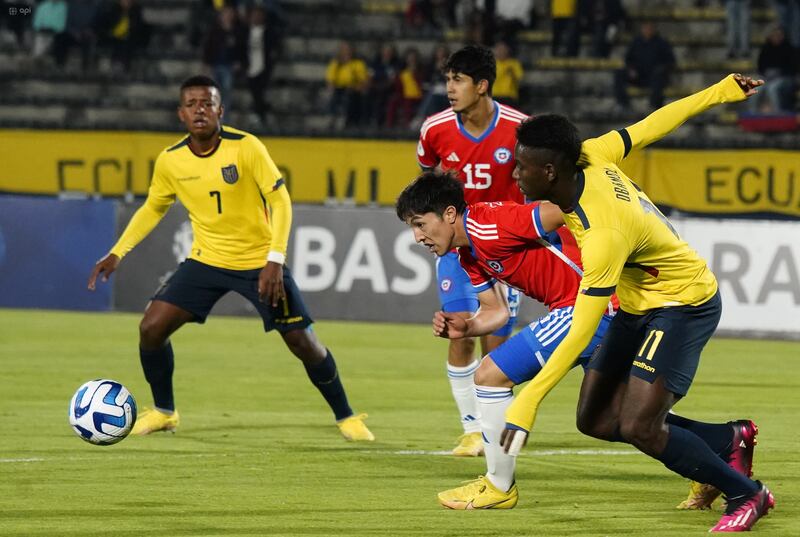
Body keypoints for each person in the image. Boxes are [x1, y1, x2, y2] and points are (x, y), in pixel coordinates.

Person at [500, 73, 774, 532]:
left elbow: (582, 329)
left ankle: (747, 494)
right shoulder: (591, 152)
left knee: (641, 427)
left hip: (684, 303)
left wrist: (528, 398)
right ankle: (729, 438)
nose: (514, 173)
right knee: (596, 419)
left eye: (522, 166)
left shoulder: (604, 234)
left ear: (550, 171)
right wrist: (721, 91)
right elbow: (654, 123)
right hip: (637, 304)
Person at [87, 75, 374, 443]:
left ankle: (346, 416)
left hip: (259, 262)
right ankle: (163, 411)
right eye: (191, 104)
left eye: (207, 103)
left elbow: (280, 202)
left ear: (220, 110)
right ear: (180, 114)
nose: (199, 110)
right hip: (206, 260)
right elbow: (153, 207)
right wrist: (117, 252)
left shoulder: (246, 147)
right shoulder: (171, 160)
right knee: (151, 328)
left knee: (303, 342)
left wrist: (274, 257)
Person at [396, 171, 615, 509]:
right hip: (593, 310)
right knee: (620, 419)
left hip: (591, 305)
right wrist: (466, 328)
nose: (416, 236)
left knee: (489, 375)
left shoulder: (491, 223)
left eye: (420, 224)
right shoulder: (468, 254)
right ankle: (721, 450)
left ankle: (499, 485)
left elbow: (567, 204)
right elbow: (496, 312)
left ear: (449, 214)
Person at [416, 44, 528, 457]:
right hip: (458, 245)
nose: (449, 88)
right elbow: (427, 180)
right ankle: (470, 429)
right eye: (447, 79)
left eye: (458, 80)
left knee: (496, 345)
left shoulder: (519, 128)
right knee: (459, 323)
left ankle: (492, 428)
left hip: (505, 246)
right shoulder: (435, 129)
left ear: (482, 86)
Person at [613, 20, 675, 111]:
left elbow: (670, 61)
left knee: (659, 78)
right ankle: (623, 104)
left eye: (650, 28)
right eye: (645, 28)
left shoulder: (661, 43)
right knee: (619, 73)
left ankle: (653, 106)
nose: (647, 30)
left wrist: (660, 69)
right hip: (638, 75)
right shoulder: (636, 42)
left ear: (654, 29)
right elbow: (628, 59)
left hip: (654, 77)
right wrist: (631, 69)